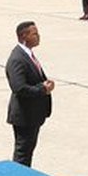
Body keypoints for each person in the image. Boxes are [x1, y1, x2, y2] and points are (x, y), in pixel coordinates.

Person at [6, 21, 54, 166]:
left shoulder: (28, 55)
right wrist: (42, 89)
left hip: (33, 114)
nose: (38, 36)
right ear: (24, 36)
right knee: (22, 154)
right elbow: (19, 88)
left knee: (27, 152)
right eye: (34, 34)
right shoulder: (17, 59)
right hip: (24, 116)